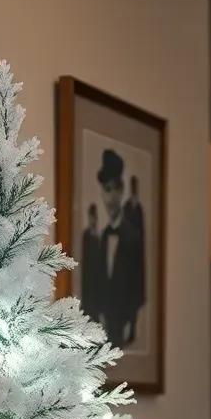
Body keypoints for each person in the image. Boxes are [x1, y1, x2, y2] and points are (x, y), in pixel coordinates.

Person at [96, 148, 143, 347]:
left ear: (122, 191)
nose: (111, 198)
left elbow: (137, 281)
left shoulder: (132, 237)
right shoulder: (104, 236)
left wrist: (130, 320)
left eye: (115, 189)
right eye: (106, 190)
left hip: (122, 320)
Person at [123, 175, 146, 345]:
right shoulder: (127, 208)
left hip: (136, 260)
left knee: (136, 295)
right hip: (127, 259)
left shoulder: (139, 209)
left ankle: (132, 328)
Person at [80, 203, 102, 322]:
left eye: (94, 217)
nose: (92, 220)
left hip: (97, 279)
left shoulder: (98, 236)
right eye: (91, 217)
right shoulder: (86, 235)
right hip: (88, 278)